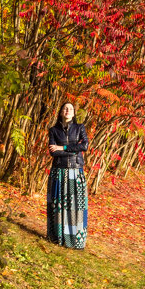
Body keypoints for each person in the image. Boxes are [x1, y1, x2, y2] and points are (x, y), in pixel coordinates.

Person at [47, 102, 89, 249]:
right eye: (65, 108)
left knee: (76, 207)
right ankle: (57, 237)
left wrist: (62, 147)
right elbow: (53, 152)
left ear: (73, 113)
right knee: (58, 205)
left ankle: (75, 240)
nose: (68, 111)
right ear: (60, 112)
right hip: (59, 170)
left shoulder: (79, 128)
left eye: (70, 109)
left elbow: (84, 146)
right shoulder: (53, 130)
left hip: (76, 170)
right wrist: (73, 149)